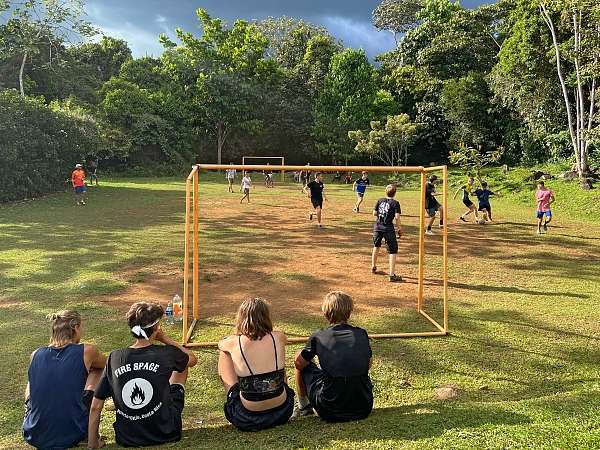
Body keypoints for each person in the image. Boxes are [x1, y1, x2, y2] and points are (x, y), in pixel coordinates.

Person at [87, 302, 198, 449]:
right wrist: (165, 339)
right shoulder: (167, 353)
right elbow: (192, 359)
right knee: (182, 364)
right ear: (157, 328)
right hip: (166, 432)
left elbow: (95, 406)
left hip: (126, 437)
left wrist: (92, 443)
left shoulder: (114, 357)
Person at [23, 311, 106, 450]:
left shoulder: (36, 354)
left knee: (33, 379)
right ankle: (87, 433)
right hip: (71, 434)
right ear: (76, 328)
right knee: (98, 370)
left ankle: (34, 415)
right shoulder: (87, 350)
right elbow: (108, 364)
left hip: (34, 433)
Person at [293, 291, 373, 422]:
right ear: (349, 312)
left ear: (326, 313)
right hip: (363, 407)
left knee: (298, 356)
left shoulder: (318, 336)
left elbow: (299, 364)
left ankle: (303, 406)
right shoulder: (361, 333)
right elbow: (368, 364)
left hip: (329, 408)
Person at [218, 298, 294, 432]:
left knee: (224, 354)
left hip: (246, 417)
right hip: (283, 411)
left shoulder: (233, 342)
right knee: (276, 364)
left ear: (241, 318)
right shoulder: (279, 336)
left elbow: (221, 344)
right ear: (267, 316)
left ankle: (232, 396)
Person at [371, 184, 403, 282]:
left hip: (378, 226)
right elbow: (397, 217)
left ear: (385, 191)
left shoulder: (380, 200)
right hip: (388, 228)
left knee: (376, 246)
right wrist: (399, 229)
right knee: (392, 250)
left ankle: (373, 266)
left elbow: (374, 213)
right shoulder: (395, 203)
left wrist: (382, 214)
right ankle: (392, 274)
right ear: (395, 193)